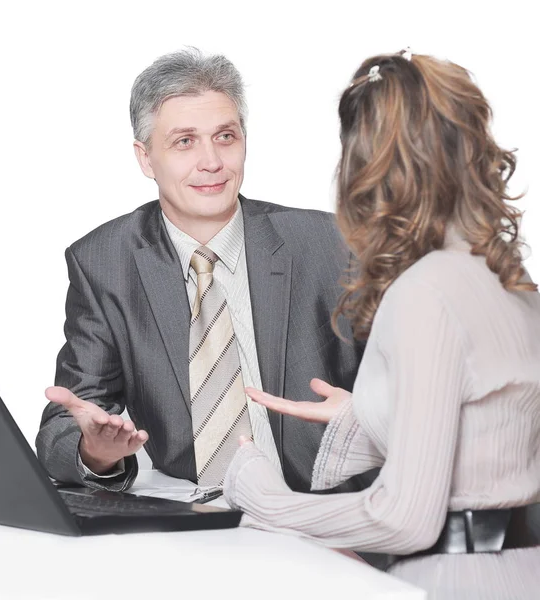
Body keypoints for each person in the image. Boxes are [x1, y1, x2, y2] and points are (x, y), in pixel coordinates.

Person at [222, 49, 540, 599]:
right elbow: (491, 439)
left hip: (449, 582)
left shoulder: (424, 295)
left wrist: (264, 497)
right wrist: (366, 415)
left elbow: (406, 519)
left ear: (367, 167)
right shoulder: (513, 286)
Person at [35, 48, 368, 495]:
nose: (211, 162)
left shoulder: (330, 243)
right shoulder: (104, 262)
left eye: (226, 137)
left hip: (328, 507)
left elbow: (411, 391)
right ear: (145, 158)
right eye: (185, 141)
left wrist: (370, 416)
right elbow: (65, 421)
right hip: (198, 519)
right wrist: (95, 451)